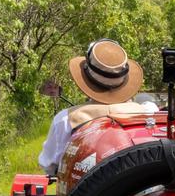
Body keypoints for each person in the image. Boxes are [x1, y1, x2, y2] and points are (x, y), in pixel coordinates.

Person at [38, 39, 153, 175]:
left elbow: (50, 165)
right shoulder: (147, 114)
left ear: (86, 78)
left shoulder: (66, 120)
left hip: (83, 195)